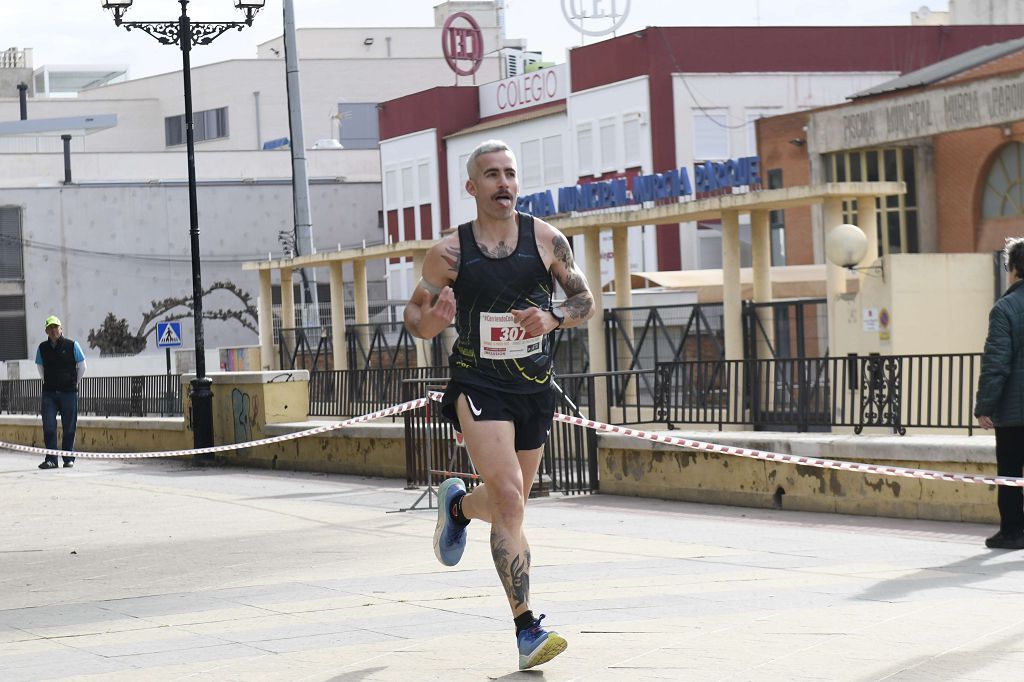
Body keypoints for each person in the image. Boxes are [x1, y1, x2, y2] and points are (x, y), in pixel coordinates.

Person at [403, 139, 595, 670]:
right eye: (491, 175)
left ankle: (459, 506)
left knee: (510, 505)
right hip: (478, 384)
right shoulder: (449, 253)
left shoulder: (547, 240)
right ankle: (527, 628)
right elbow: (414, 315)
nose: (503, 183)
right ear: (472, 187)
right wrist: (432, 324)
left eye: (510, 173)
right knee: (510, 499)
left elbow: (584, 300)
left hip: (533, 386)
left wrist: (554, 317)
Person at [976, 237, 1024, 550]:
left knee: (1009, 473)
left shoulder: (1005, 308)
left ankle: (1012, 531)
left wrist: (984, 407)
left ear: (1014, 268)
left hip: (1014, 413)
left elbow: (996, 363)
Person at [36, 315, 87, 469]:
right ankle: (51, 459)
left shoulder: (72, 345)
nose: (53, 330)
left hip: (69, 393)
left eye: (55, 327)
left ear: (61, 329)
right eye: (50, 328)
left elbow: (83, 366)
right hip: (49, 394)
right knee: (49, 426)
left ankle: (68, 458)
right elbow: (40, 367)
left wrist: (74, 383)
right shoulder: (42, 348)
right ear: (46, 331)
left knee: (69, 426)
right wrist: (48, 381)